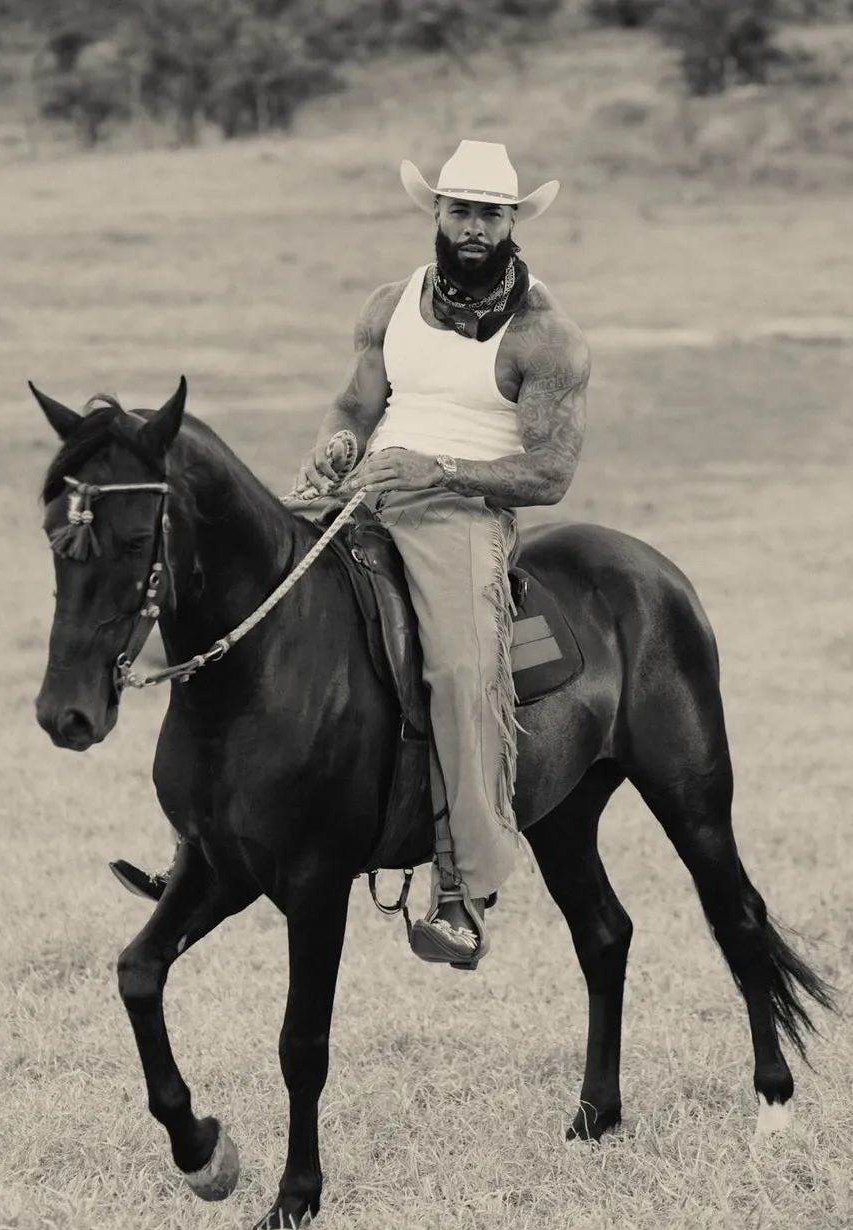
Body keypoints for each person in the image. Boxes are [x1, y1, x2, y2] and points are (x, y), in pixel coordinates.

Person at [114, 139, 591, 969]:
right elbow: (353, 402)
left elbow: (548, 474)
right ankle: (208, 848)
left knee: (459, 669)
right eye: (459, 210)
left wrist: (436, 469)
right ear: (435, 214)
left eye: (489, 214)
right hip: (364, 492)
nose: (472, 227)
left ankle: (461, 887)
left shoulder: (545, 337)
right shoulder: (388, 305)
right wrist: (337, 448)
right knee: (233, 608)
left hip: (462, 516)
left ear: (512, 222)